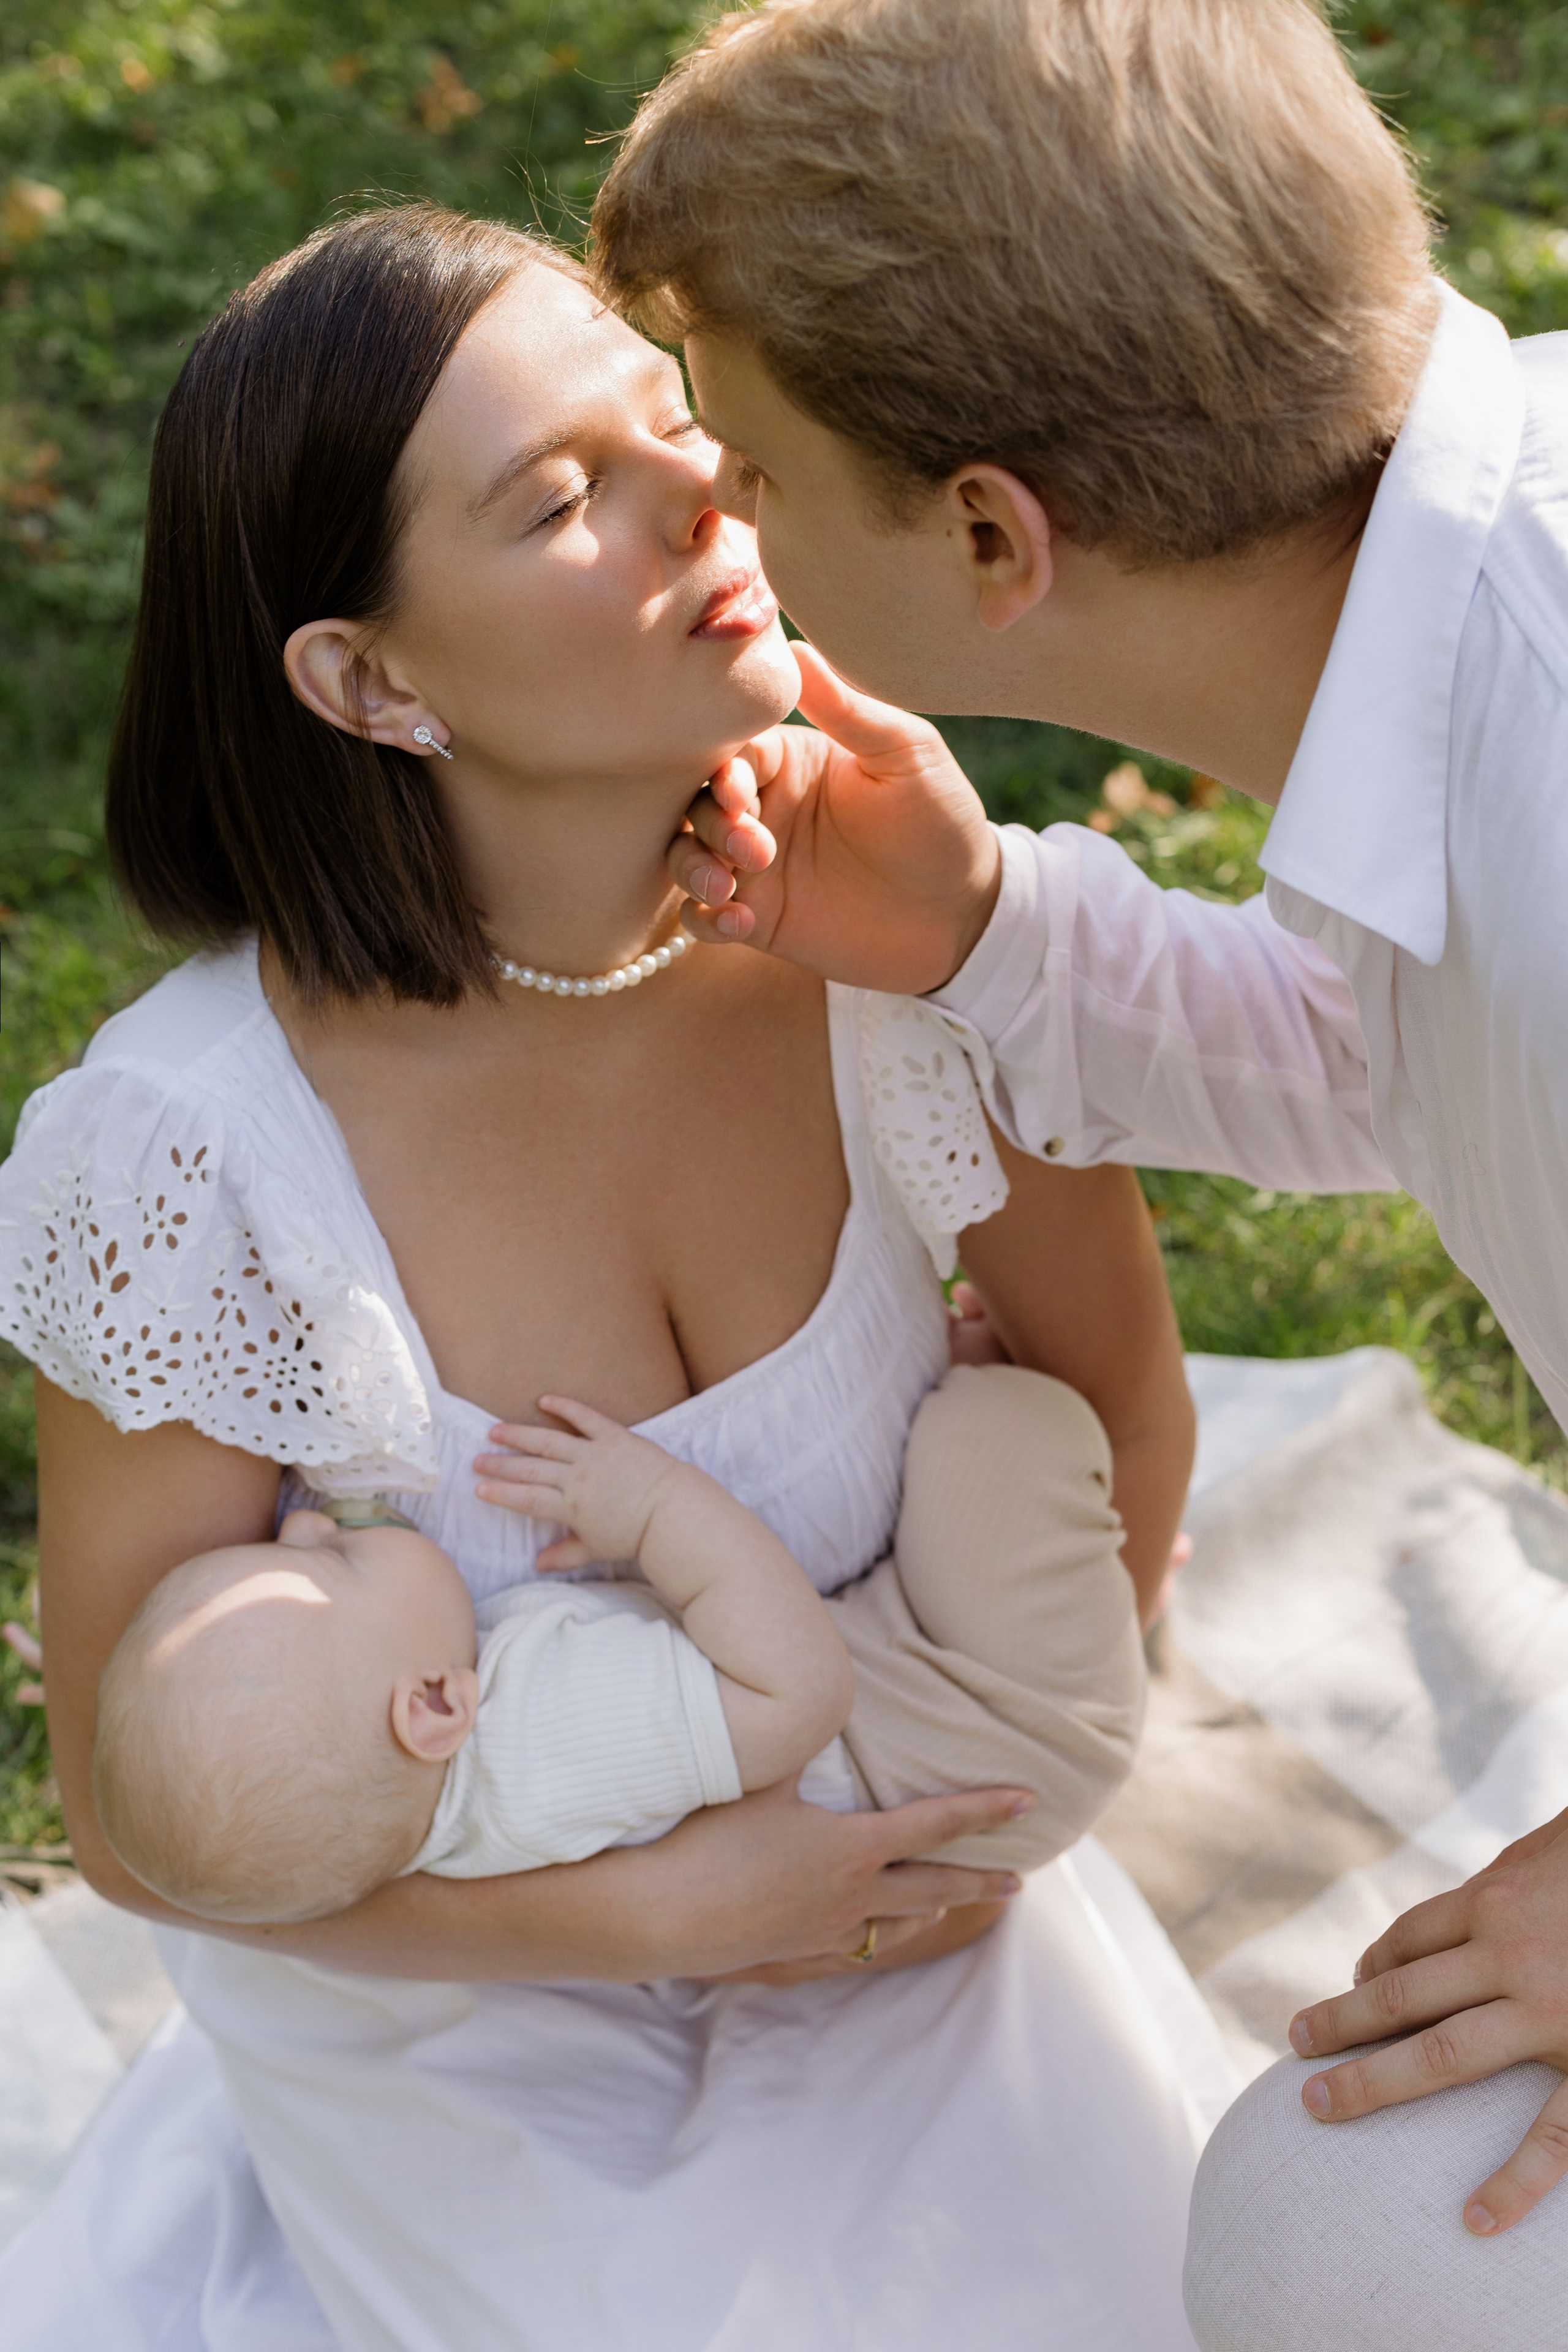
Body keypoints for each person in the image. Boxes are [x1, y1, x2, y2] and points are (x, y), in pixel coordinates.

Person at [0, 201, 1224, 2350]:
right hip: (456, 1992)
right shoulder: (190, 1158)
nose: (702, 492)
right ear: (366, 677)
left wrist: (976, 1795)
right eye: (566, 497)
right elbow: (129, 1823)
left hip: (906, 1894)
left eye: (675, 424)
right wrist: (653, 1907)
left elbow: (1120, 1416)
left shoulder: (899, 948)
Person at [589, 0, 1568, 2338]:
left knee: (1346, 2241)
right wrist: (986, 932)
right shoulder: (1442, 668)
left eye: (749, 467)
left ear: (990, 535)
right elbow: (1416, 1062)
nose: (719, 529)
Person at [91, 1366, 1142, 1926]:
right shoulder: (553, 1730)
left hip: (905, 1710)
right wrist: (651, 1513)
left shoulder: (406, 1801)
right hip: (988, 1721)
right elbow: (798, 1695)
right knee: (996, 1426)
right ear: (432, 1708)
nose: (309, 1522)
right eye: (331, 1565)